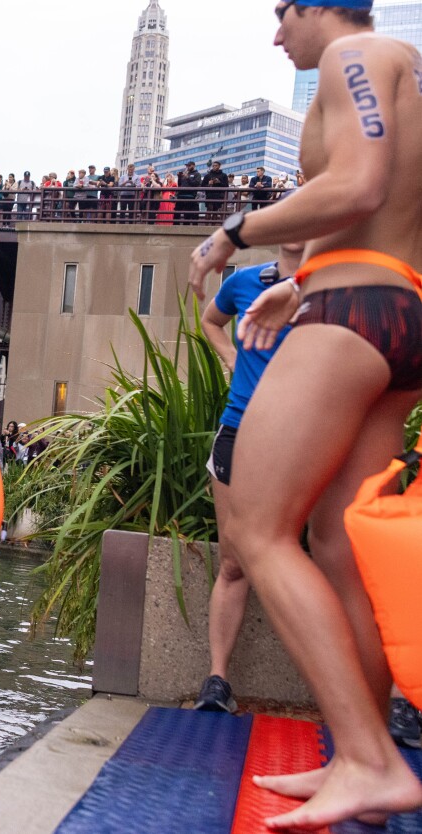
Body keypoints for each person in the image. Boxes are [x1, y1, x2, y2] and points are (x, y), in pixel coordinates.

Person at [187, 1, 422, 826]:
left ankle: (366, 755)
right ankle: (354, 760)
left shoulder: (354, 59)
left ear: (322, 7)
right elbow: (381, 202)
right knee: (336, 545)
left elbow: (353, 183)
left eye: (281, 11)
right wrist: (299, 279)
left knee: (254, 529)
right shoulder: (400, 73)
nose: (275, 30)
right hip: (395, 313)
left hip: (352, 316)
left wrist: (233, 231)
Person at [193, 243, 302, 714]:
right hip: (238, 426)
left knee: (328, 553)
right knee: (233, 561)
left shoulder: (333, 280)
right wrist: (229, 358)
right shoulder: (245, 281)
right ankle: (217, 681)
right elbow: (208, 320)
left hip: (305, 433)